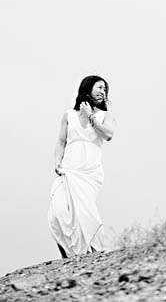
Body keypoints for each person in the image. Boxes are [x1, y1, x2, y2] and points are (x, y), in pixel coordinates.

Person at [48, 75, 116, 257]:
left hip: (89, 173)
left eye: (105, 89)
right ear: (88, 87)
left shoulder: (105, 115)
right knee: (57, 213)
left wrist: (91, 117)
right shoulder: (68, 115)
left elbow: (108, 135)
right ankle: (68, 255)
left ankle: (94, 252)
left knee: (85, 214)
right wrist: (57, 162)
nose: (103, 91)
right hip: (68, 170)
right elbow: (61, 141)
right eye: (99, 87)